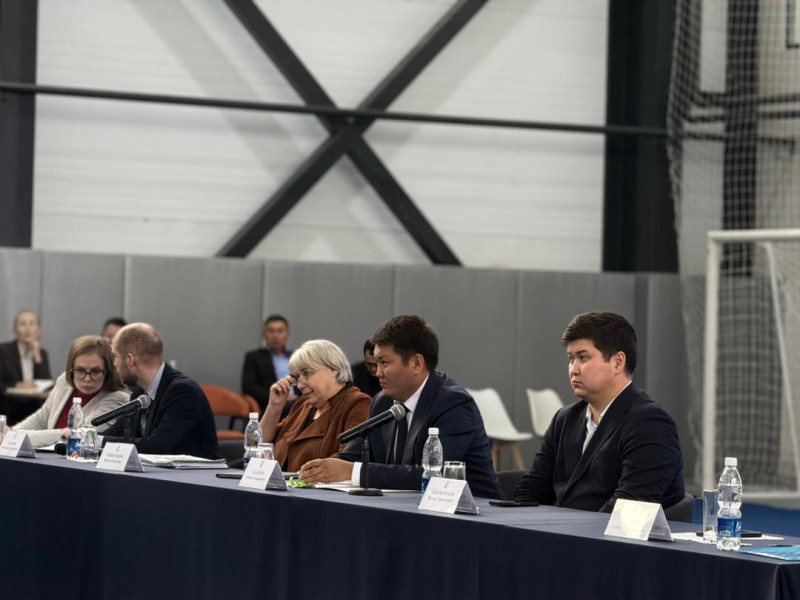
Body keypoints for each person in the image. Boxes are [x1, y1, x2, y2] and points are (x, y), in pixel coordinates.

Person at [299, 315, 502, 499]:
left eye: (384, 363)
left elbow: (433, 475)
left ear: (416, 364)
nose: (378, 373)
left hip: (474, 515)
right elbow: (352, 457)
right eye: (376, 364)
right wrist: (324, 469)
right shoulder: (383, 401)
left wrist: (352, 471)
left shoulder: (453, 404)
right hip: (407, 510)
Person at [514, 311, 684, 512]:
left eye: (583, 357)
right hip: (557, 529)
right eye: (571, 359)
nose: (573, 369)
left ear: (617, 362)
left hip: (608, 532)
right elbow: (530, 491)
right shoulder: (564, 419)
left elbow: (626, 510)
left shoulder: (650, 423)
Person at [102, 323, 220, 459]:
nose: (114, 364)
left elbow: (156, 446)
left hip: (195, 472)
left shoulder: (183, 392)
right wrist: (88, 438)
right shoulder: (140, 392)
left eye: (115, 357)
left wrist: (99, 442)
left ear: (130, 360)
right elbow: (115, 432)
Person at [261, 340, 370, 472]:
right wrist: (274, 407)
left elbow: (346, 462)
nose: (300, 385)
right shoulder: (302, 405)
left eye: (307, 374)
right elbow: (259, 445)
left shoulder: (357, 404)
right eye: (297, 377)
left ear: (334, 369)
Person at [14, 335, 130, 447]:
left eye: (95, 371)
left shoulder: (118, 399)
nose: (87, 379)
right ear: (71, 370)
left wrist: (17, 436)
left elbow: (76, 435)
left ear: (108, 371)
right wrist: (13, 432)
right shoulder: (64, 382)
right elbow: (41, 418)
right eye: (80, 370)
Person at [241, 315, 293, 413]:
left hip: (298, 403)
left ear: (287, 335)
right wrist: (279, 397)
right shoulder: (254, 357)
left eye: (280, 331)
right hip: (269, 405)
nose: (275, 335)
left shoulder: (296, 356)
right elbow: (248, 387)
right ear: (264, 335)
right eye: (271, 331)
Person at [0, 310, 51, 395]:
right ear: (15, 330)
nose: (28, 329)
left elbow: (47, 385)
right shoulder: (3, 351)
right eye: (23, 324)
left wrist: (37, 356)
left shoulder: (42, 353)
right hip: (10, 400)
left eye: (32, 324)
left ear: (38, 330)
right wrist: (16, 385)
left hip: (35, 401)